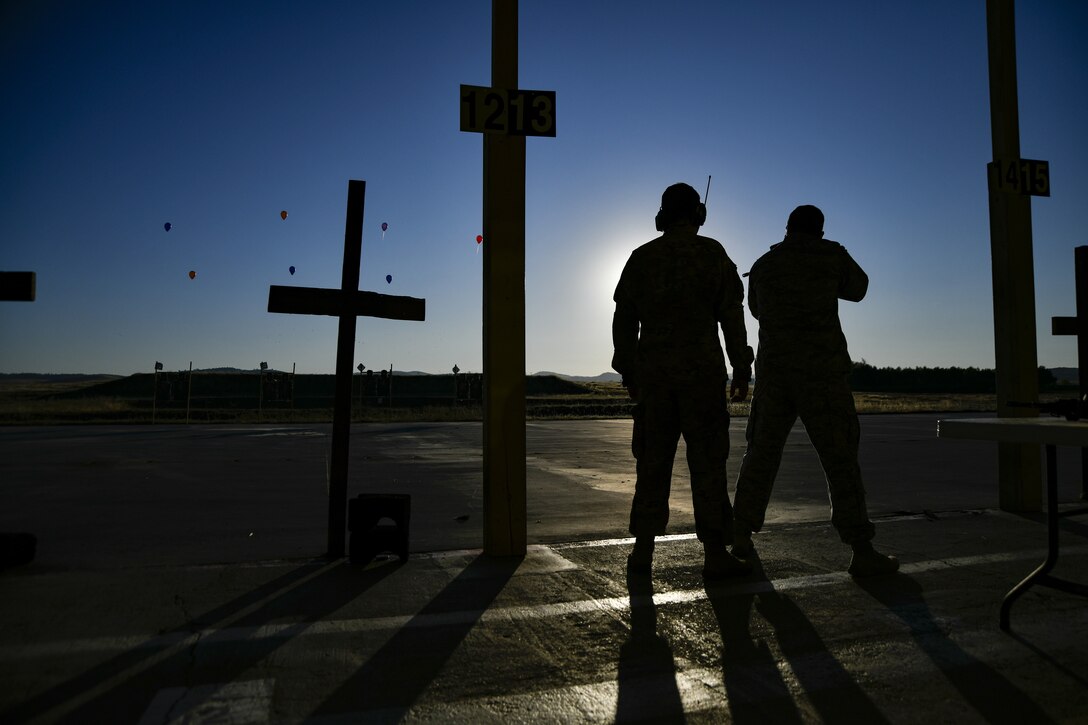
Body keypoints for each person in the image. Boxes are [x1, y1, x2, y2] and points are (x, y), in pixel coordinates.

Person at [732, 205, 898, 577]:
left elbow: (757, 310)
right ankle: (860, 548)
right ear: (820, 231)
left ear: (787, 228)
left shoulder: (764, 264)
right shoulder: (832, 256)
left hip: (775, 377)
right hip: (823, 376)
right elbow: (859, 289)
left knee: (760, 456)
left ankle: (740, 537)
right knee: (840, 460)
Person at [612, 182, 754, 579]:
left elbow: (624, 320)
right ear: (697, 214)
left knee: (652, 464)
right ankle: (714, 553)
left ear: (662, 214)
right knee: (708, 465)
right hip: (702, 381)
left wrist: (628, 371)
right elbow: (732, 318)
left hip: (655, 381)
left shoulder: (642, 257)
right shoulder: (713, 254)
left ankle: (642, 552)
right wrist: (741, 367)